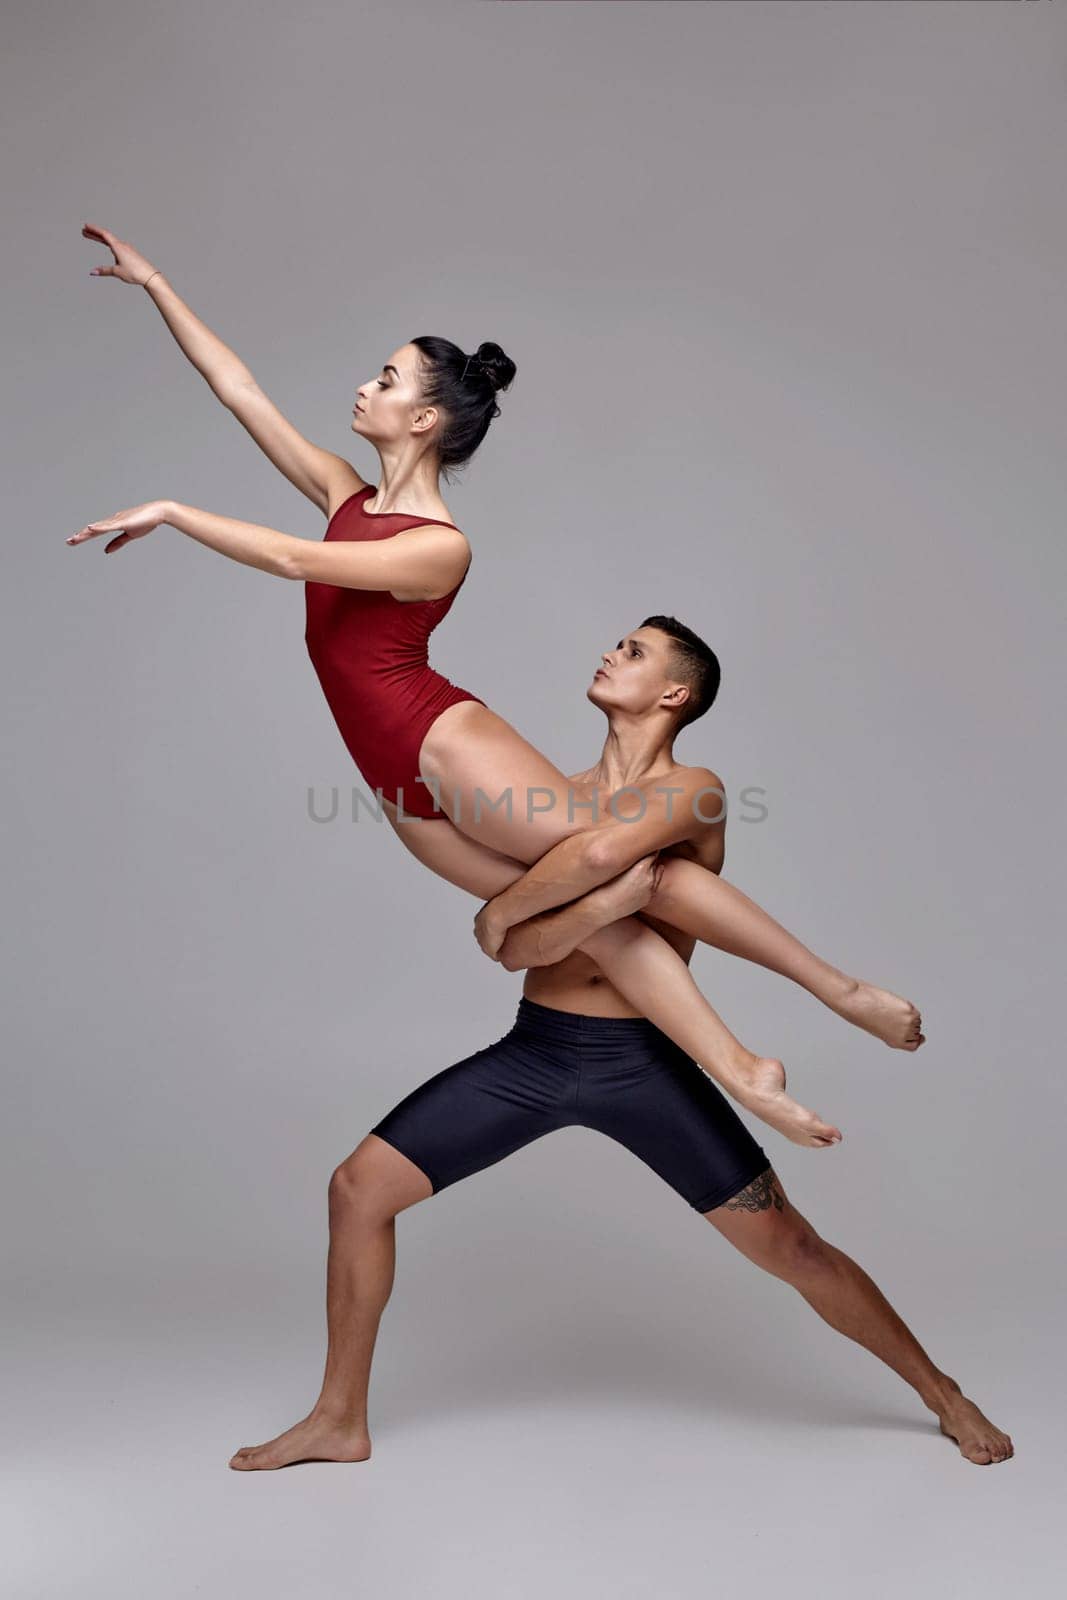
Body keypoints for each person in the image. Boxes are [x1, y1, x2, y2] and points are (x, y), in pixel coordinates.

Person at [69, 223, 922, 1151]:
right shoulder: (344, 494)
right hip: (391, 780)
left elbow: (283, 558)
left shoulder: (437, 544)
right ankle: (747, 1070)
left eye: (386, 380)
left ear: (425, 419)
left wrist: (173, 509)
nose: (364, 387)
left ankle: (833, 994)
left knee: (627, 870)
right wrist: (156, 284)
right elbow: (237, 390)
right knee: (592, 915)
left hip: (441, 740)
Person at [224, 867, 1012, 1472]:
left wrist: (544, 897)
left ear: (673, 694)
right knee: (356, 1189)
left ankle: (943, 1394)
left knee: (795, 1250)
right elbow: (508, 947)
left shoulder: (688, 799)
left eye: (634, 647)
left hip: (642, 1069)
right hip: (533, 1054)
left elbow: (590, 892)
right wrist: (562, 907)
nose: (611, 655)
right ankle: (338, 1417)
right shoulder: (553, 798)